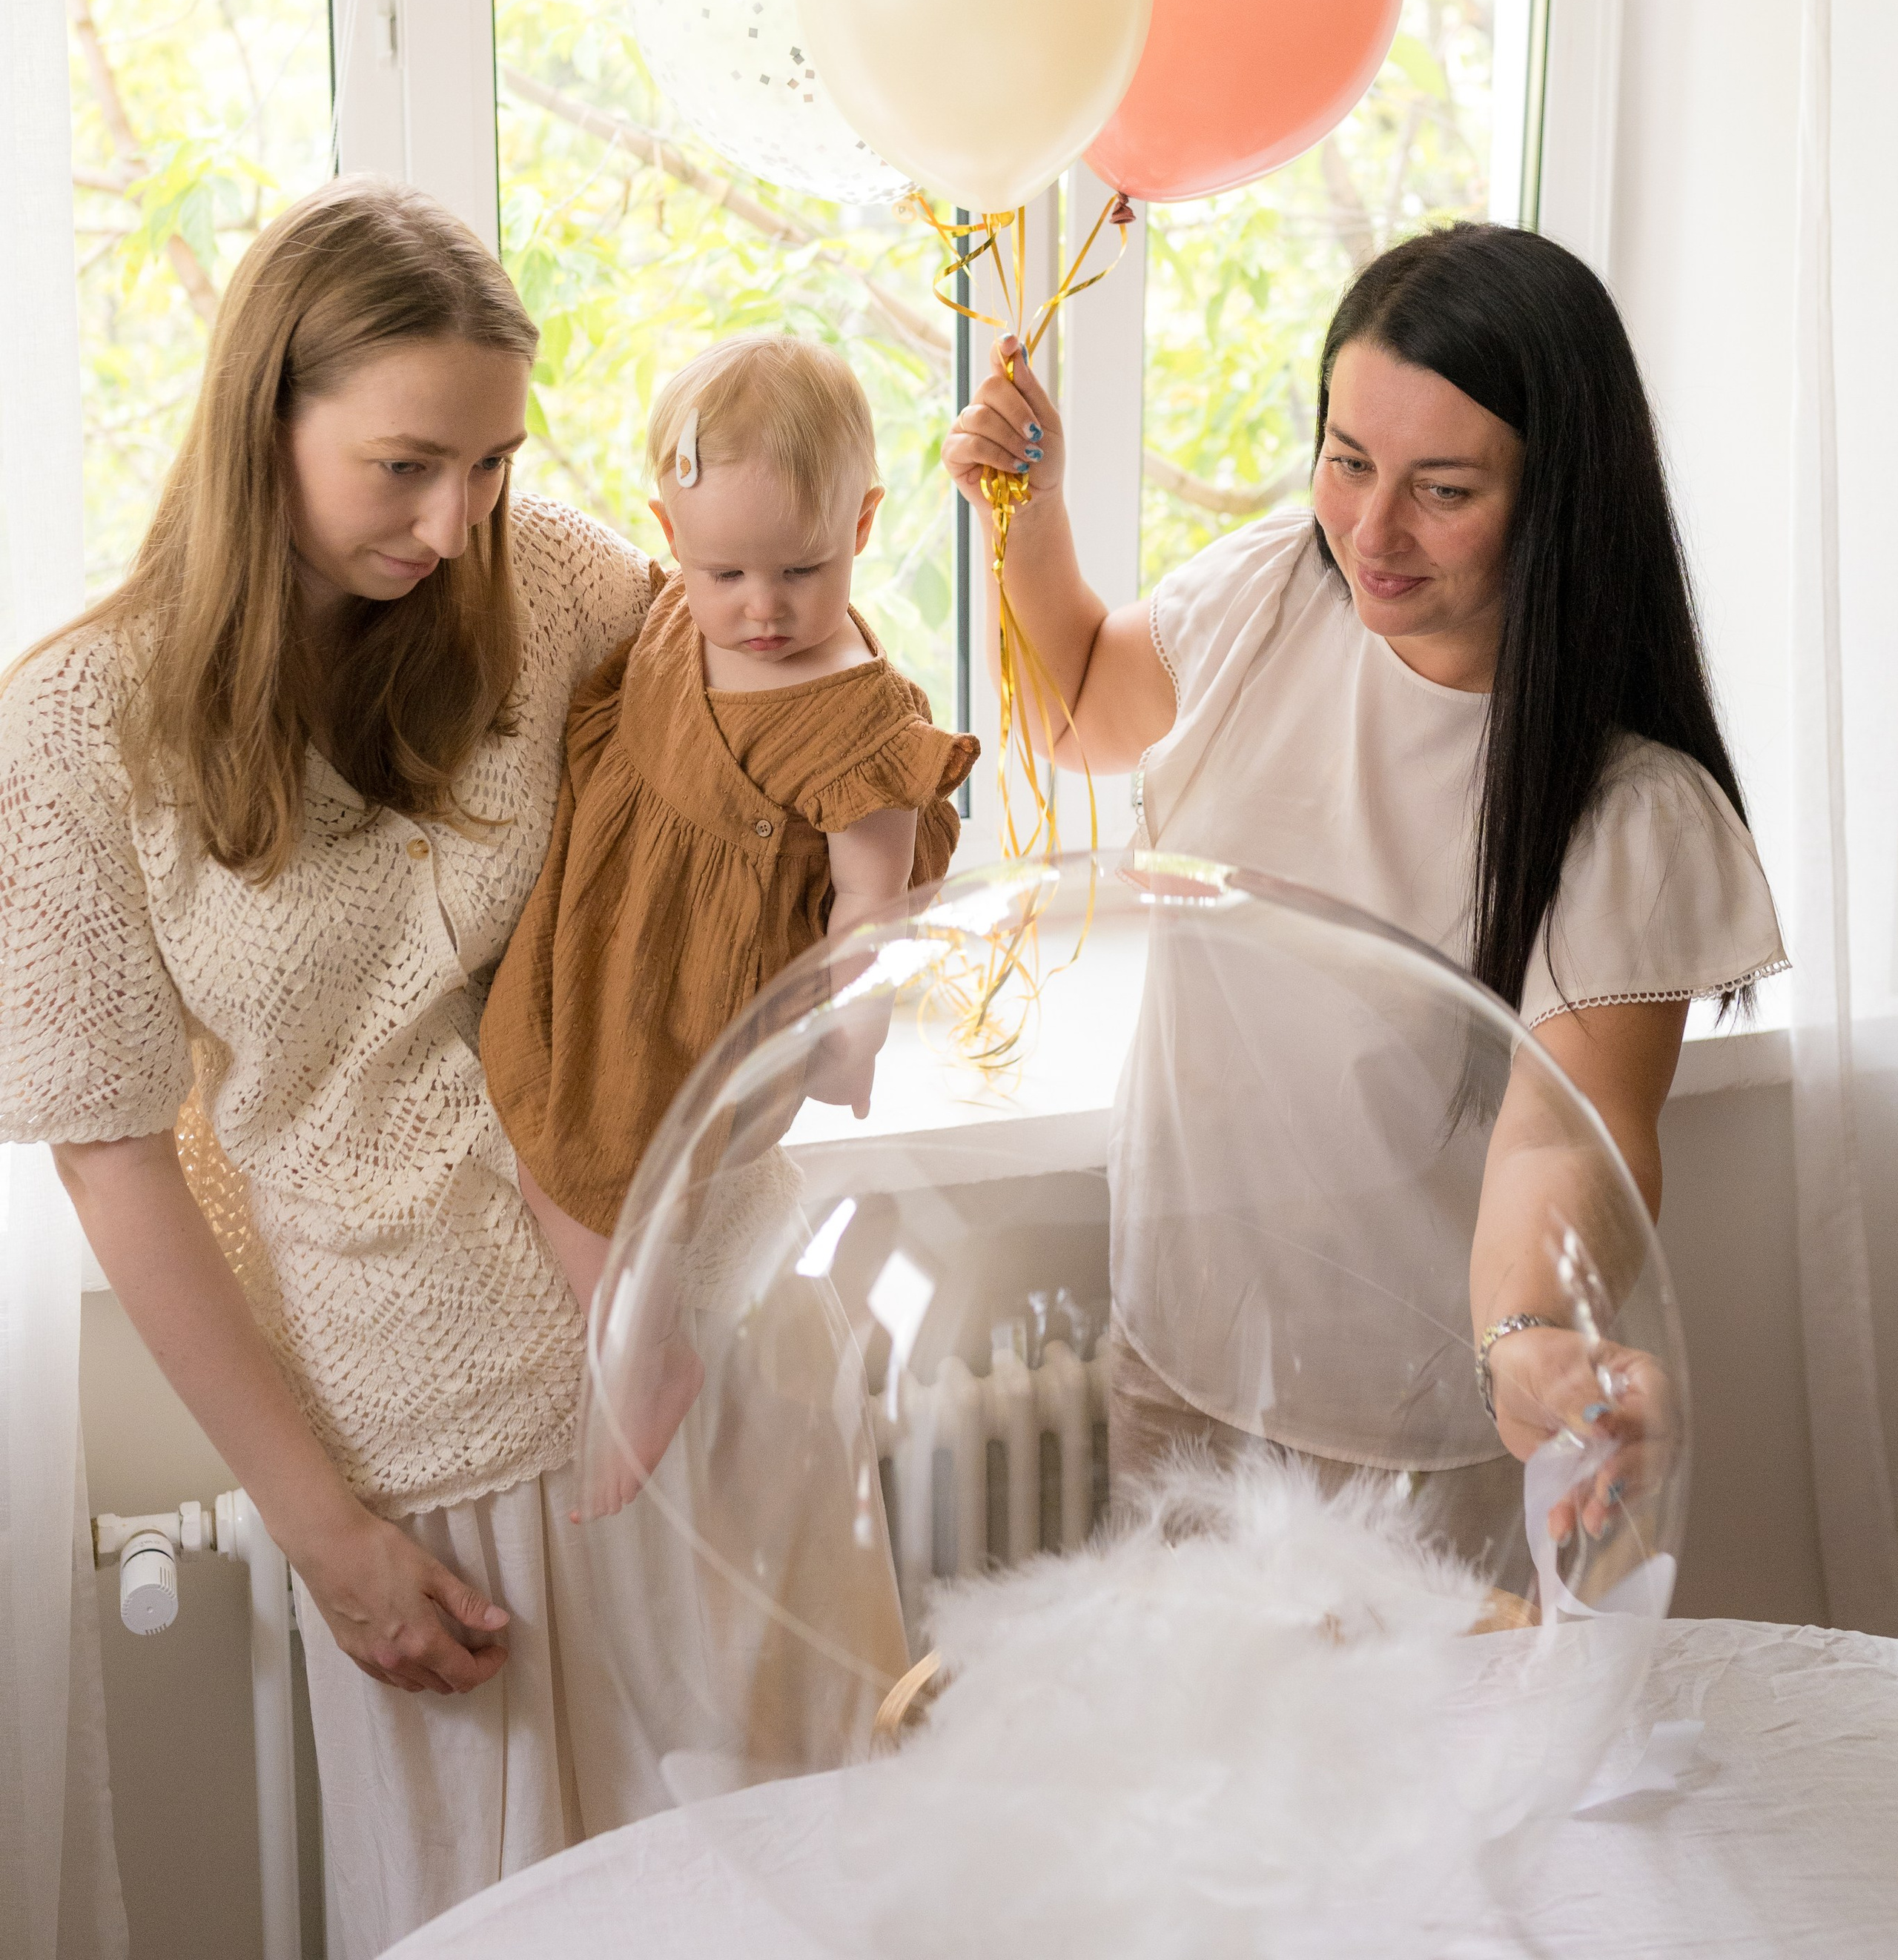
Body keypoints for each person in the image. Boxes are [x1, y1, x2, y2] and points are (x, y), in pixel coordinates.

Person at [0, 181, 853, 1959]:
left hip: (702, 1331)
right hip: (433, 1436)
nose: (457, 520)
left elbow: (762, 722)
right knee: (511, 1916)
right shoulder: (78, 726)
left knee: (806, 1890)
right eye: (405, 465)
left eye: (493, 461)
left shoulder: (544, 583)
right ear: (265, 422)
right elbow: (110, 1158)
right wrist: (323, 1536)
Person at [944, 222, 1785, 1564]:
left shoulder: (1627, 813)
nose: (1372, 531)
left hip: (1429, 1426)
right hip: (1187, 1354)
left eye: (1442, 490)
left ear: (1559, 495)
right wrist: (1033, 519)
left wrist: (1531, 1339)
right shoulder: (1275, 592)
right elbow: (1087, 707)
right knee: (1191, 1760)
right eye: (1347, 461)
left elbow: (1563, 1137)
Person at [481, 331, 975, 1480]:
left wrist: (846, 1034)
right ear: (670, 535)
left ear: (860, 525)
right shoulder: (673, 613)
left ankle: (643, 1356)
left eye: (799, 573)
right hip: (606, 927)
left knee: (599, 1169)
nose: (760, 609)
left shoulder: (860, 722)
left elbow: (873, 899)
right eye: (725, 575)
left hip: (704, 979)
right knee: (528, 1109)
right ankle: (631, 1339)